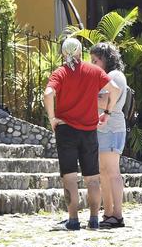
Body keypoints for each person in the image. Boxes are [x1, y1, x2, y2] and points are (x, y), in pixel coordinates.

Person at [44, 37, 120, 231]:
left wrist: (52, 118)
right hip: (88, 131)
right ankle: (94, 219)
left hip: (66, 130)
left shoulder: (60, 73)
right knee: (93, 178)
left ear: (64, 54)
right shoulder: (93, 71)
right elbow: (115, 89)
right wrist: (107, 113)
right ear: (80, 53)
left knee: (69, 177)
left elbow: (48, 93)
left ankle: (73, 219)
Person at [91, 42, 128, 229]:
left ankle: (118, 215)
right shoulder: (107, 76)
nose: (93, 63)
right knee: (104, 173)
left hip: (111, 127)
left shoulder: (114, 76)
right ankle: (108, 213)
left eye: (96, 60)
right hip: (104, 128)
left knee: (112, 172)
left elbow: (106, 98)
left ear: (105, 59)